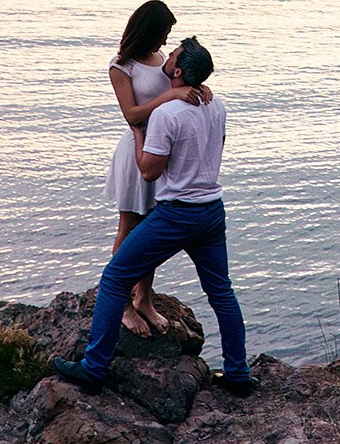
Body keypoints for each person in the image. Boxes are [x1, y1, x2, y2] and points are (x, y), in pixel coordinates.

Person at [54, 37, 251, 397]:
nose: (167, 53)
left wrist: (138, 131)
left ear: (176, 71)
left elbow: (148, 172)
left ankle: (93, 369)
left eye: (173, 54)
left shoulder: (165, 115)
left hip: (177, 214)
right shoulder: (216, 104)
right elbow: (215, 148)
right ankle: (238, 374)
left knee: (114, 279)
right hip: (211, 211)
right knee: (221, 292)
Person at [103, 0, 207, 336]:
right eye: (163, 33)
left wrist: (197, 86)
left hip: (161, 151)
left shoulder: (162, 59)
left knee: (152, 226)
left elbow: (179, 87)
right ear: (148, 30)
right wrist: (171, 97)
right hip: (135, 150)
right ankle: (120, 304)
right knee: (130, 225)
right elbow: (131, 115)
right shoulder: (122, 66)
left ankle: (144, 297)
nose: (165, 42)